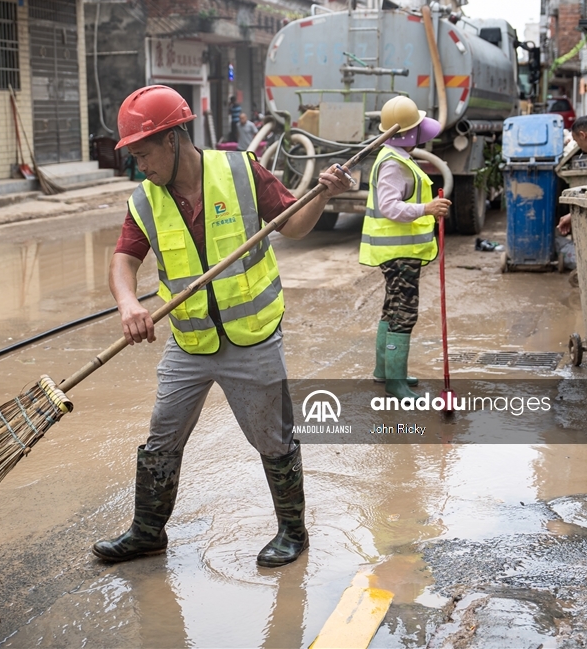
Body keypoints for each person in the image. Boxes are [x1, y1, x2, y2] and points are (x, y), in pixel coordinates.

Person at [96, 85, 353, 568]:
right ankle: (147, 533)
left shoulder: (241, 172)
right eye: (134, 156)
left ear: (172, 139)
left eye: (144, 154)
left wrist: (322, 195)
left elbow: (294, 226)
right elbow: (124, 259)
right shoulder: (146, 200)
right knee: (162, 435)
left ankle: (292, 532)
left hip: (252, 338)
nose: (140, 166)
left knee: (272, 437)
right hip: (189, 341)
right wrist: (128, 303)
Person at [360, 96, 451, 399]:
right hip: (399, 254)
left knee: (392, 309)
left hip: (399, 253)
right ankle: (395, 382)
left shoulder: (396, 157)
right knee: (404, 313)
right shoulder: (392, 163)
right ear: (409, 134)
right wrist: (427, 208)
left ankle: (384, 371)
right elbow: (389, 207)